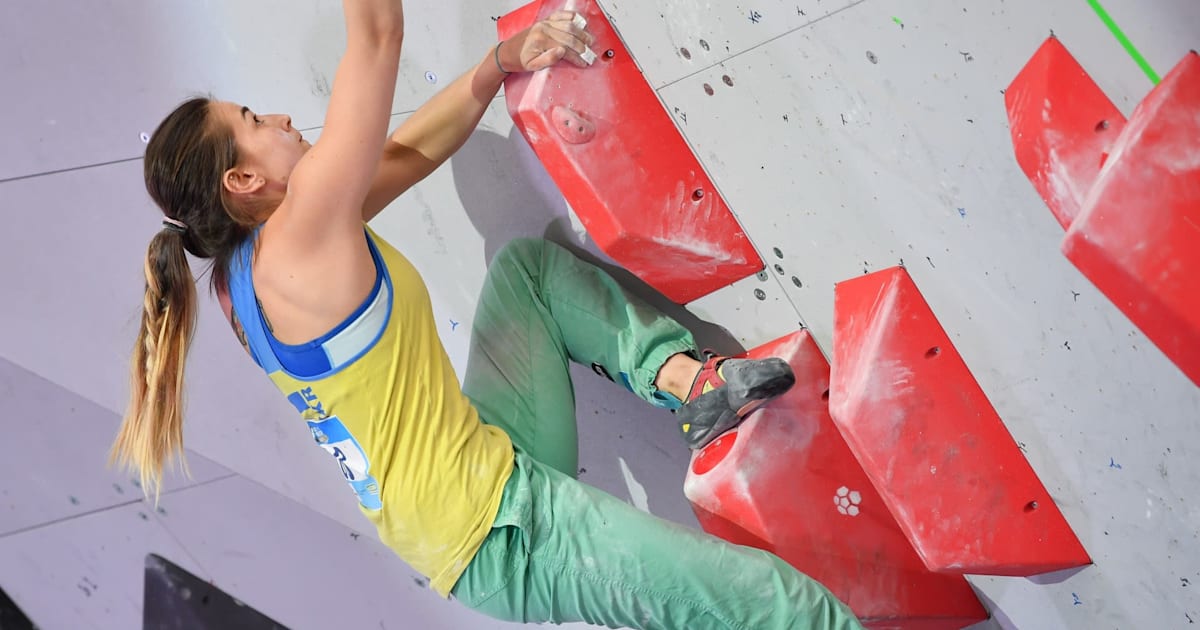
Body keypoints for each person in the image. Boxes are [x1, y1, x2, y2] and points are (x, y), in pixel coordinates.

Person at [111, 1, 863, 628]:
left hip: (479, 479)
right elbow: (376, 33)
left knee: (526, 276)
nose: (277, 115)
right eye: (252, 119)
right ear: (244, 179)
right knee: (783, 608)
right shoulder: (301, 233)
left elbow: (405, 153)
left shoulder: (249, 275)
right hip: (506, 533)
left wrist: (497, 65)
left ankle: (688, 383)